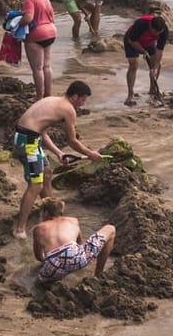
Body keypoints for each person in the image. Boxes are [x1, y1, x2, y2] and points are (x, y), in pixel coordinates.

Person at [10, 82, 107, 236]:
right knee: (35, 185)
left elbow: (42, 132)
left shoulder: (54, 101)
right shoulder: (68, 109)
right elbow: (73, 141)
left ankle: (50, 214)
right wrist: (90, 154)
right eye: (83, 100)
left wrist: (58, 153)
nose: (83, 104)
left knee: (47, 173)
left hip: (29, 138)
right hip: (27, 142)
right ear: (75, 96)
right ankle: (20, 228)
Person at [29, 197, 115, 287]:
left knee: (39, 284)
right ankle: (98, 275)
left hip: (54, 266)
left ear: (45, 212)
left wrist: (49, 262)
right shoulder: (73, 221)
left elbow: (39, 256)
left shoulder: (39, 228)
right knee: (111, 229)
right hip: (77, 257)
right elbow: (80, 244)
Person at [17, 0, 57, 99]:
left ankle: (39, 97)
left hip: (36, 35)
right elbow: (52, 16)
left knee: (37, 68)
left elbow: (28, 18)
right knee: (47, 66)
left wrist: (17, 24)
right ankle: (48, 94)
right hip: (51, 32)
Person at [123, 13, 169, 106]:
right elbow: (132, 41)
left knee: (157, 65)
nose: (156, 34)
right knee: (134, 65)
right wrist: (143, 51)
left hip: (149, 42)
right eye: (154, 32)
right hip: (132, 41)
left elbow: (159, 51)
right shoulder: (141, 24)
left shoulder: (164, 31)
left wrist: (154, 69)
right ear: (150, 26)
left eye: (158, 33)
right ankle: (130, 94)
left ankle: (153, 90)